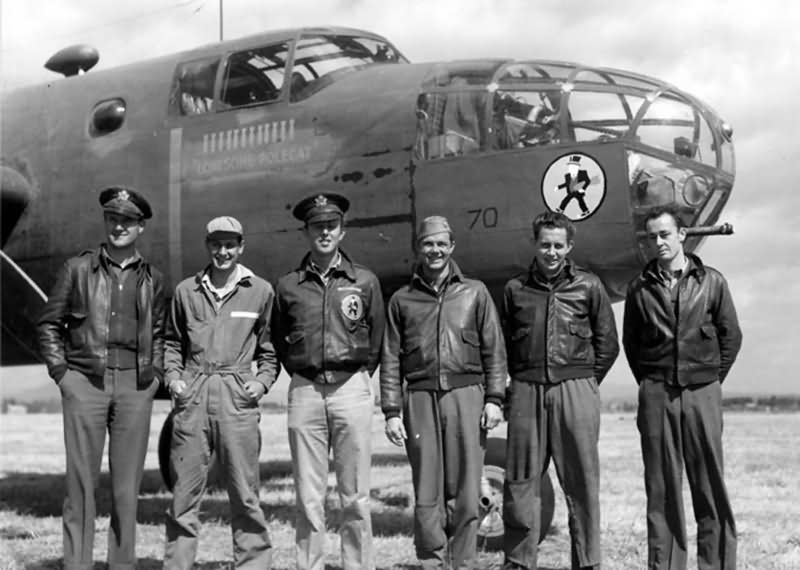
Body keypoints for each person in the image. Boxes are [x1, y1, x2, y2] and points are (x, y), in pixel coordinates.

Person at [36, 186, 166, 570]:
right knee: (80, 486)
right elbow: (48, 325)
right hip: (85, 382)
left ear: (140, 227)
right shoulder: (77, 269)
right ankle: (76, 564)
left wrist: (153, 378)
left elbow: (158, 333)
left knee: (127, 490)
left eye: (127, 221)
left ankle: (121, 564)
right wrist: (63, 374)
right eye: (113, 219)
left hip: (135, 387)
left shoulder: (153, 279)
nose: (119, 226)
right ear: (106, 222)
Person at [381, 216, 507, 569]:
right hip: (419, 397)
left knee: (467, 486)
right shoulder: (402, 300)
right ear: (418, 249)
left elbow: (494, 349)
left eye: (441, 244)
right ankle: (431, 559)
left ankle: (464, 560)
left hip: (466, 394)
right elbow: (390, 358)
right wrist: (391, 411)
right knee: (427, 488)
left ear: (452, 247)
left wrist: (494, 399)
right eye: (427, 244)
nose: (434, 250)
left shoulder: (475, 292)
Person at [623, 204, 742, 570]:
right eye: (652, 236)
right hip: (657, 394)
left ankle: (718, 564)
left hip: (702, 391)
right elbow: (632, 345)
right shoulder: (638, 289)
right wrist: (654, 382)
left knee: (710, 487)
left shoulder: (713, 282)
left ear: (682, 235)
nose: (658, 242)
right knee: (661, 491)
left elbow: (731, 337)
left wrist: (707, 379)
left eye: (664, 234)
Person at [272, 193, 385, 570]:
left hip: (351, 387)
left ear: (342, 230)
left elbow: (377, 336)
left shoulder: (364, 281)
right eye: (317, 226)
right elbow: (279, 336)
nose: (324, 232)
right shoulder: (288, 286)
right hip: (305, 389)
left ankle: (358, 565)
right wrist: (304, 375)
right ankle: (310, 565)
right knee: (308, 496)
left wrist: (355, 378)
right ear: (305, 231)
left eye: (331, 226)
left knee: (355, 496)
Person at [502, 211, 619, 570]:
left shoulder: (589, 286)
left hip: (576, 388)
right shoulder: (515, 290)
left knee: (582, 481)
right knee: (521, 481)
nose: (551, 252)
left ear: (569, 247)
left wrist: (582, 381)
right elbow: (504, 345)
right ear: (534, 244)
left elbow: (608, 344)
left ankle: (587, 562)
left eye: (558, 245)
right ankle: (519, 561)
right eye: (544, 244)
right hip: (526, 389)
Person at [162, 216, 277, 570]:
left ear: (241, 246)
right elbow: (171, 343)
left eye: (230, 244)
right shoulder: (186, 291)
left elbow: (270, 352)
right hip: (193, 397)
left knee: (245, 493)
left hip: (236, 396)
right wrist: (173, 379)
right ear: (207, 246)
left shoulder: (260, 291)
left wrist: (259, 384)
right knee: (183, 496)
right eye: (216, 244)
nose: (222, 251)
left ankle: (253, 564)